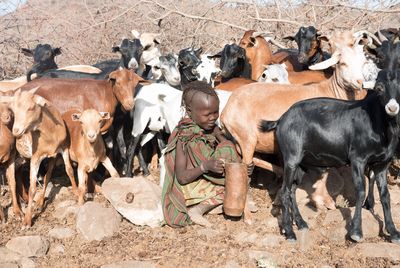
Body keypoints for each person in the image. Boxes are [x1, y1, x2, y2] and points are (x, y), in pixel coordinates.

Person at [161, 80, 241, 227]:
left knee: (230, 149)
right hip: (190, 186)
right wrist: (204, 167)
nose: (212, 118)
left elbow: (227, 149)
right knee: (230, 187)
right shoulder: (184, 138)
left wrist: (238, 166)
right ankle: (197, 210)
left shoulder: (211, 128)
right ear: (190, 112)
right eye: (207, 114)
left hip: (207, 180)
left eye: (215, 112)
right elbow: (182, 177)